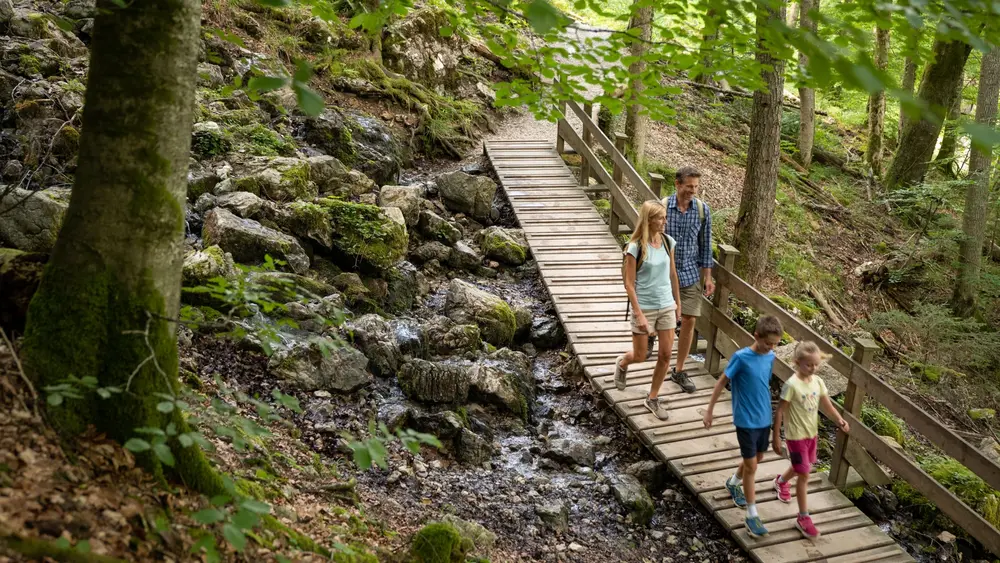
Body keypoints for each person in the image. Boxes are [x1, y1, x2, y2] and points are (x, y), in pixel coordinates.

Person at [703, 315, 783, 538]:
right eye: (768, 343)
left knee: (757, 459)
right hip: (746, 420)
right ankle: (751, 515)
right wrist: (710, 410)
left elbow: (763, 384)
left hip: (763, 418)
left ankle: (733, 482)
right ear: (756, 336)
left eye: (775, 344)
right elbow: (722, 381)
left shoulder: (770, 357)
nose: (771, 347)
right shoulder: (741, 357)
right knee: (752, 467)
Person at [772, 341, 850, 539]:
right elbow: (780, 410)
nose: (813, 368)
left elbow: (827, 405)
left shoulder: (818, 382)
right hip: (795, 436)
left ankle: (781, 481)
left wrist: (839, 419)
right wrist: (776, 436)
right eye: (809, 364)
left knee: (801, 468)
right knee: (804, 475)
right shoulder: (791, 385)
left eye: (816, 365)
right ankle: (803, 517)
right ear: (797, 362)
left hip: (811, 434)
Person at [614, 200, 682, 420]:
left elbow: (672, 274)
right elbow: (629, 284)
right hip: (644, 306)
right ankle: (623, 363)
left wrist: (678, 303)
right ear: (649, 219)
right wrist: (639, 313)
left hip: (666, 305)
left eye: (664, 217)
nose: (665, 221)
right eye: (660, 218)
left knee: (665, 354)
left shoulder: (667, 242)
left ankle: (652, 398)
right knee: (642, 355)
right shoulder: (634, 248)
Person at [650, 166, 714, 394]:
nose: (692, 191)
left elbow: (706, 246)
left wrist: (708, 276)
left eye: (696, 187)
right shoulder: (662, 207)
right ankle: (650, 334)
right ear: (677, 184)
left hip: (689, 274)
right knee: (659, 316)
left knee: (689, 320)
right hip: (661, 275)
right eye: (689, 186)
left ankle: (678, 370)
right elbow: (647, 238)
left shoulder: (702, 210)